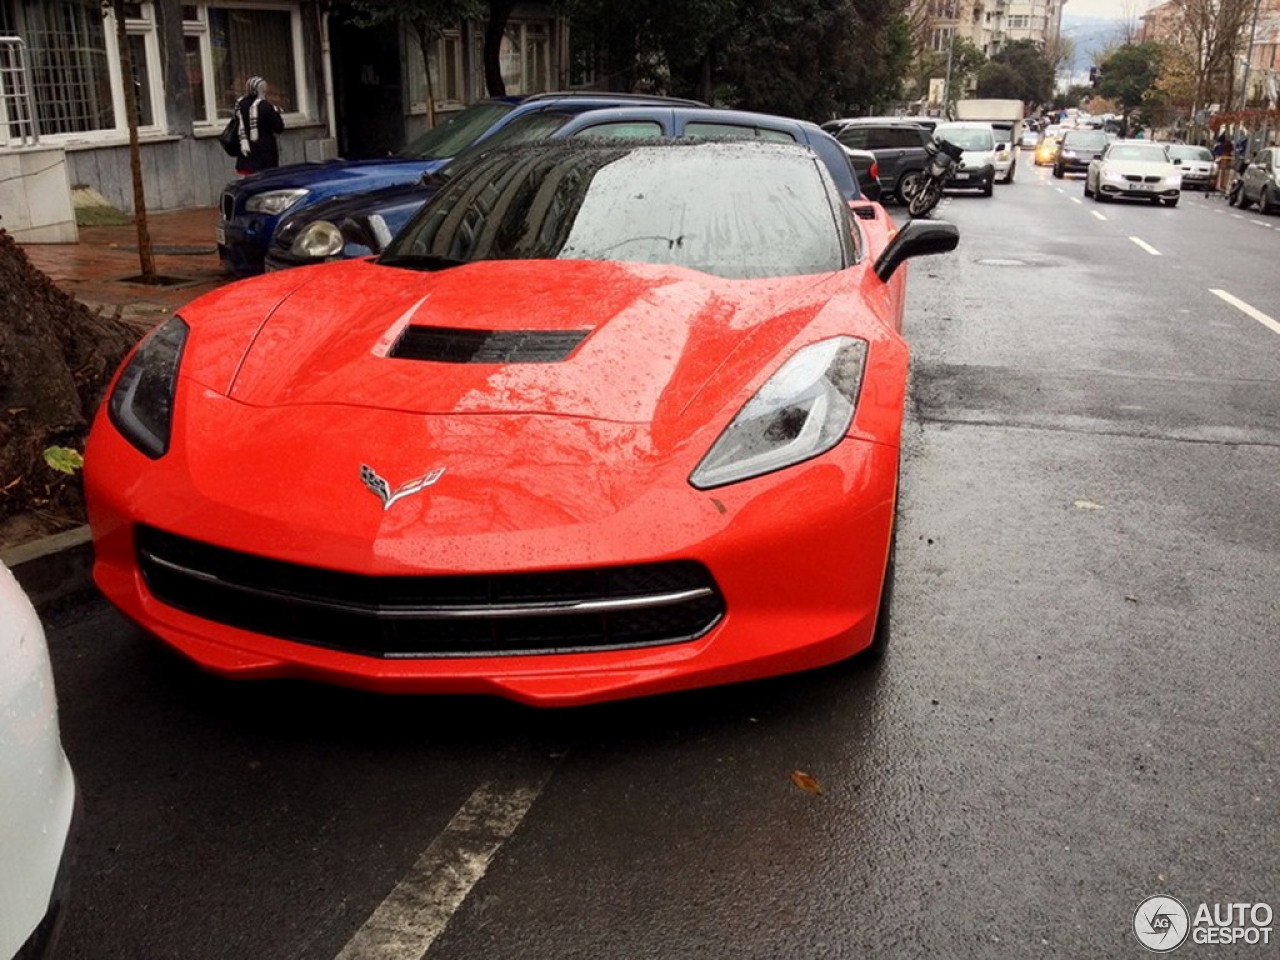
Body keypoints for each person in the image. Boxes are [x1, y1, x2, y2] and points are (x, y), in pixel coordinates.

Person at [233, 76, 284, 175]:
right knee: (264, 183)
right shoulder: (265, 107)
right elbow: (279, 127)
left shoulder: (239, 104)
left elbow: (237, 125)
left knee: (247, 184)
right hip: (265, 156)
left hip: (245, 154)